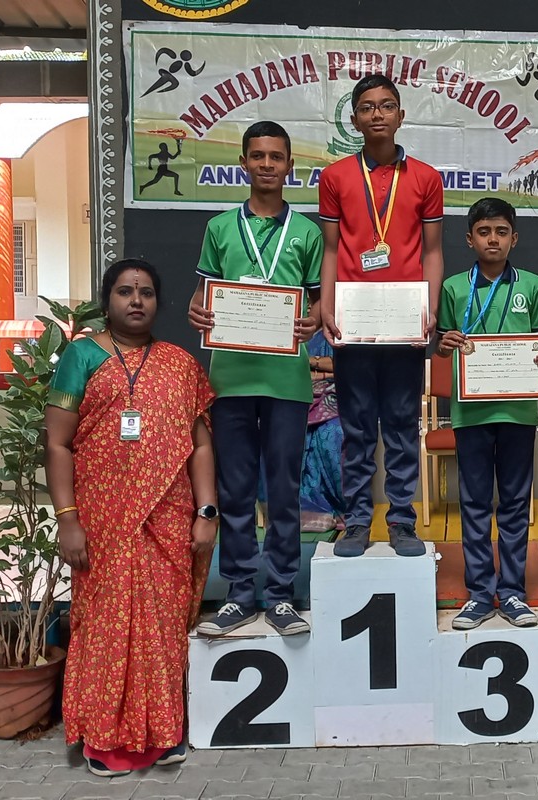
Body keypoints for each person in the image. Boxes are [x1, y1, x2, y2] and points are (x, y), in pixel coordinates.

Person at [45, 259, 217, 777]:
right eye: (124, 291)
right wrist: (67, 519)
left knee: (163, 625)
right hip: (101, 521)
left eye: (145, 292)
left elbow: (201, 447)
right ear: (107, 301)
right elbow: (57, 444)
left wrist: (207, 511)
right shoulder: (81, 356)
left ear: (159, 302)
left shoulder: (180, 364)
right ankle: (104, 737)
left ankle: (163, 731)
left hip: (168, 518)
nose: (136, 300)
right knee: (104, 624)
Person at [187, 121, 322, 637]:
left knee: (284, 491)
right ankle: (241, 593)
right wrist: (197, 310)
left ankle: (281, 593)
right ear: (243, 162)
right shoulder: (220, 228)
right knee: (236, 489)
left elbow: (317, 303)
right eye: (258, 156)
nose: (267, 164)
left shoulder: (307, 232)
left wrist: (313, 320)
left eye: (276, 156)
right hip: (231, 381)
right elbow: (203, 296)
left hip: (287, 381)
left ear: (290, 166)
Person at [317, 74, 446, 558]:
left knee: (400, 424)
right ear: (354, 119)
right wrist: (327, 305)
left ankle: (401, 521)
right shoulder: (335, 177)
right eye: (367, 107)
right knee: (356, 428)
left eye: (386, 105)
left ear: (400, 115)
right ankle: (355, 521)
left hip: (405, 324)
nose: (377, 114)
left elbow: (432, 252)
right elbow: (331, 250)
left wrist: (429, 307)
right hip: (354, 322)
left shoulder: (426, 178)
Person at [435, 198, 538, 630]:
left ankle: (513, 592)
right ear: (470, 239)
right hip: (471, 414)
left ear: (514, 238)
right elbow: (443, 344)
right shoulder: (453, 288)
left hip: (519, 412)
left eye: (501, 232)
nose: (493, 239)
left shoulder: (531, 285)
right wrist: (444, 345)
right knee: (473, 503)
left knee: (516, 503)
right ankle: (480, 594)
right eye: (484, 232)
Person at [296, 333, 346, 532]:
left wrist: (311, 363)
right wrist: (323, 368)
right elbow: (286, 364)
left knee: (333, 432)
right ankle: (303, 510)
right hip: (296, 392)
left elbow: (346, 365)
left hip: (338, 394)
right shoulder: (289, 327)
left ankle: (344, 507)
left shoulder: (338, 329)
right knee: (289, 431)